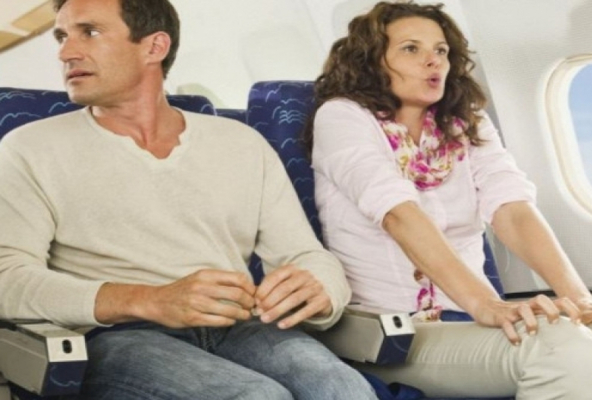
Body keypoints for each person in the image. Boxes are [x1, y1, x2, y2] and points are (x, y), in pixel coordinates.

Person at [0, 0, 378, 399]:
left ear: (154, 46)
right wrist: (149, 300)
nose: (66, 52)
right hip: (117, 336)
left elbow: (305, 254)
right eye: (62, 37)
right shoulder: (28, 148)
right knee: (256, 396)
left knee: (344, 388)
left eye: (89, 32)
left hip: (239, 325)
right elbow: (7, 278)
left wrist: (320, 288)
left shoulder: (241, 143)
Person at [305, 1, 592, 399]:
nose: (433, 61)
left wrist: (581, 302)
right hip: (394, 333)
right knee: (562, 352)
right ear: (370, 61)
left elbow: (512, 209)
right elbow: (398, 214)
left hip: (469, 318)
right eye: (411, 48)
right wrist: (485, 303)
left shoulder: (465, 122)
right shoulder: (342, 117)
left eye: (441, 50)